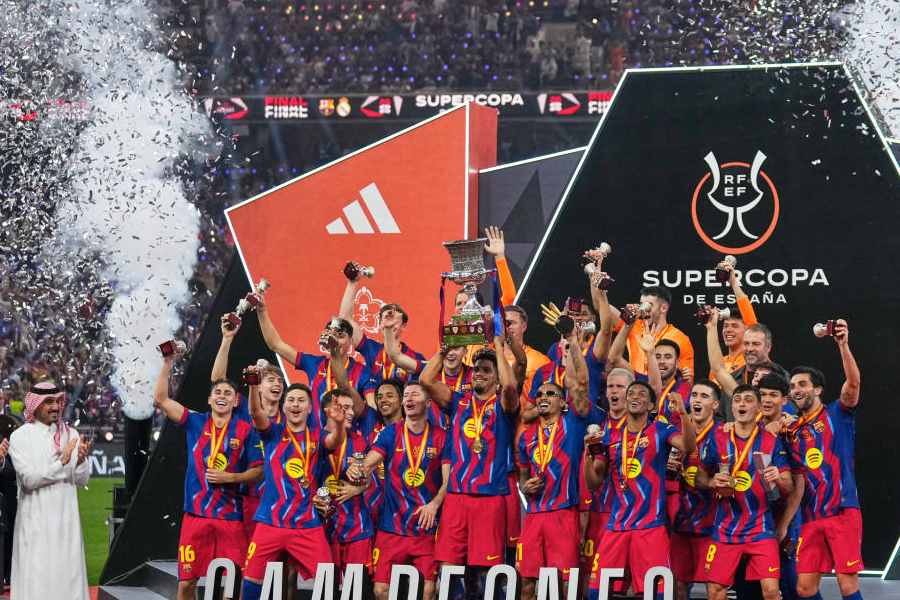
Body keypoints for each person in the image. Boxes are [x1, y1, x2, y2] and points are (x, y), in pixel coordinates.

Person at [155, 353, 263, 600]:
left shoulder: (246, 431)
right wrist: (167, 363)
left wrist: (231, 478)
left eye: (228, 393)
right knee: (186, 584)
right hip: (196, 517)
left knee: (232, 585)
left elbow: (259, 471)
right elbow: (161, 399)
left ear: (237, 401)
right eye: (218, 393)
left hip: (230, 519)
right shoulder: (194, 421)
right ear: (209, 399)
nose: (222, 396)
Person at [419, 337, 519, 598]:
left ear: (496, 377)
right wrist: (444, 350)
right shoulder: (459, 401)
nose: (479, 374)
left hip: (488, 499)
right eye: (477, 369)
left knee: (486, 574)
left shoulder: (504, 405)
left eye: (487, 370)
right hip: (456, 498)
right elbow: (426, 381)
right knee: (448, 570)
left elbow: (509, 385)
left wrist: (498, 349)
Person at [584, 381, 696, 598]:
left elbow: (688, 446)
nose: (635, 396)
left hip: (650, 527)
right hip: (617, 525)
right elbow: (593, 483)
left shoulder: (660, 430)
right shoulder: (610, 436)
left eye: (642, 394)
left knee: (653, 594)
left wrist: (683, 413)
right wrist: (588, 455)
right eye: (631, 393)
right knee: (597, 593)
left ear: (651, 405)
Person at [241, 382, 347, 600]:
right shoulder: (272, 433)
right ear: (283, 407)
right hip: (270, 522)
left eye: (301, 400)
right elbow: (255, 412)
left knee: (327, 582)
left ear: (309, 408)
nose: (295, 404)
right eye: (291, 400)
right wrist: (253, 387)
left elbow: (334, 441)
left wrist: (338, 423)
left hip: (307, 524)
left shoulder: (317, 437)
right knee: (251, 583)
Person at [348, 382, 450, 600]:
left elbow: (448, 482)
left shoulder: (442, 437)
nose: (409, 399)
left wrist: (433, 506)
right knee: (381, 590)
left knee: (429, 590)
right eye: (406, 395)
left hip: (425, 528)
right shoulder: (390, 433)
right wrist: (361, 468)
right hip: (391, 527)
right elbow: (370, 461)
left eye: (414, 394)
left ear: (428, 403)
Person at [695, 385, 794, 600]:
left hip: (760, 528)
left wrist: (778, 477)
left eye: (748, 399)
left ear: (758, 407)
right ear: (732, 406)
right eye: (737, 399)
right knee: (714, 591)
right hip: (725, 529)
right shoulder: (719, 437)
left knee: (770, 592)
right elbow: (699, 477)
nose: (741, 403)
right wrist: (712, 481)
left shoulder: (771, 440)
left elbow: (788, 486)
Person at [788, 319, 863, 600]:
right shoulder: (792, 430)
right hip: (810, 517)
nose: (796, 389)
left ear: (817, 389)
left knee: (847, 585)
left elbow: (853, 383)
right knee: (804, 589)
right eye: (793, 385)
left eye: (803, 384)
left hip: (842, 512)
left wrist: (843, 345)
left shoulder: (837, 414)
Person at [517, 328, 591, 600]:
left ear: (563, 402)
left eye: (550, 393)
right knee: (527, 582)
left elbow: (579, 385)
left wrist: (572, 346)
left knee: (564, 586)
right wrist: (528, 487)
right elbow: (523, 478)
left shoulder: (573, 425)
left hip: (563, 513)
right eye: (540, 394)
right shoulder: (526, 438)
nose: (544, 397)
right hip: (535, 515)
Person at [8, 381, 91, 600]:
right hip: (35, 525)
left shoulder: (70, 434)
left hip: (67, 523)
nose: (55, 407)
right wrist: (62, 464)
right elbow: (30, 479)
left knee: (69, 579)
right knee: (37, 580)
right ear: (34, 406)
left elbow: (82, 480)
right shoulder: (20, 437)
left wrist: (81, 461)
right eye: (48, 402)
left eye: (57, 401)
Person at [255, 290, 376, 425]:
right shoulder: (313, 363)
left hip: (347, 440)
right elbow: (275, 345)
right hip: (316, 440)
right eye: (332, 336)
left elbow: (371, 410)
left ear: (350, 340)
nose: (335, 340)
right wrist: (262, 312)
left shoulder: (363, 372)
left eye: (340, 336)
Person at [668, 380, 721, 600]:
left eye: (704, 396)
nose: (697, 400)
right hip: (680, 523)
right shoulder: (676, 433)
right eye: (695, 395)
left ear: (716, 405)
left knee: (714, 588)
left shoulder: (723, 434)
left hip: (712, 524)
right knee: (678, 587)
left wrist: (706, 480)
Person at [624, 286, 694, 377]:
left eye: (649, 305)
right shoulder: (633, 326)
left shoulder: (680, 339)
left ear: (663, 308)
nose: (644, 310)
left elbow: (687, 381)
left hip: (665, 390)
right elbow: (608, 318)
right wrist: (600, 289)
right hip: (636, 389)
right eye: (641, 304)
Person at [712, 258, 759, 381]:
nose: (728, 330)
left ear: (747, 330)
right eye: (726, 326)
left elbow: (749, 317)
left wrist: (733, 282)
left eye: (734, 326)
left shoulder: (751, 358)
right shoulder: (718, 364)